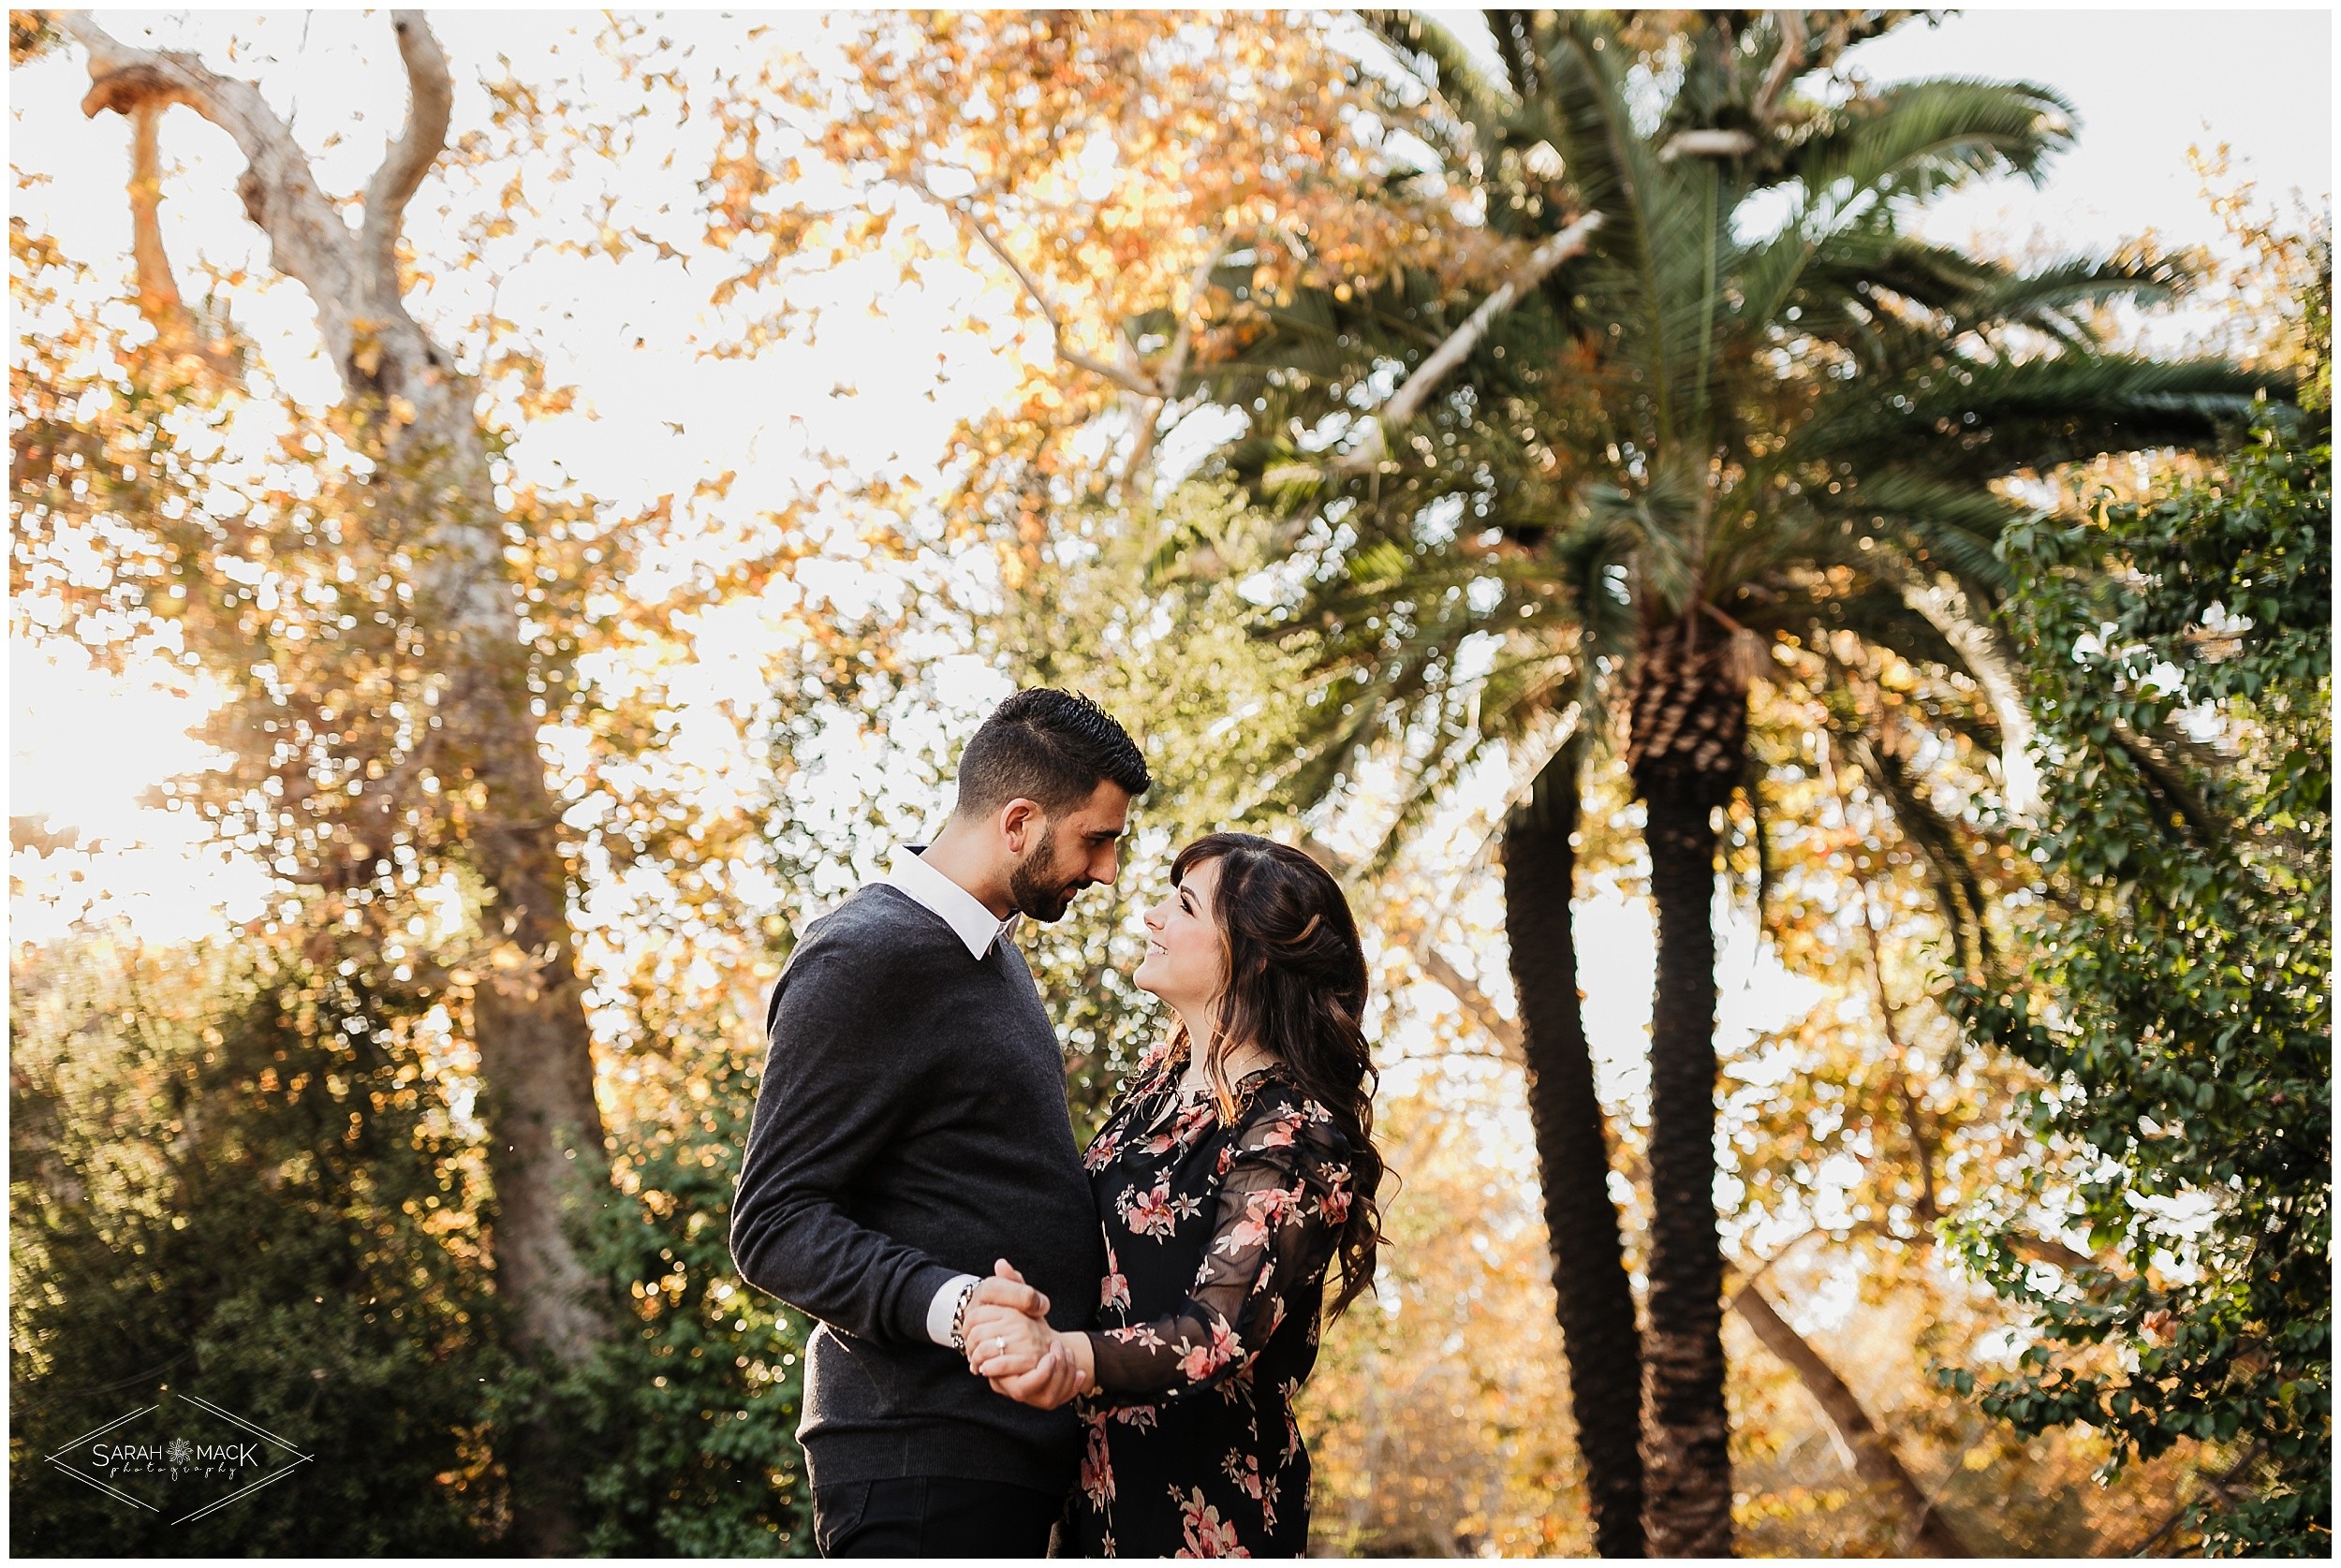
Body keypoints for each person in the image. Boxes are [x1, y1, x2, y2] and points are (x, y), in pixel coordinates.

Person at [729, 688, 1151, 1557]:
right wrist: (958, 1307)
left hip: (1005, 1459)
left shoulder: (991, 959)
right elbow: (772, 1224)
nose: (1107, 869)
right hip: (917, 1459)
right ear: (1020, 820)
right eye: (1096, 838)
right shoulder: (866, 953)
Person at [964, 832, 1386, 1558]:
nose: (1153, 916)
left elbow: (1220, 1331)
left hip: (1209, 1517)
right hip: (1093, 1503)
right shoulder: (1158, 1088)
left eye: (1184, 905)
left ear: (1248, 957)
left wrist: (1062, 1356)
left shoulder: (1295, 1132)